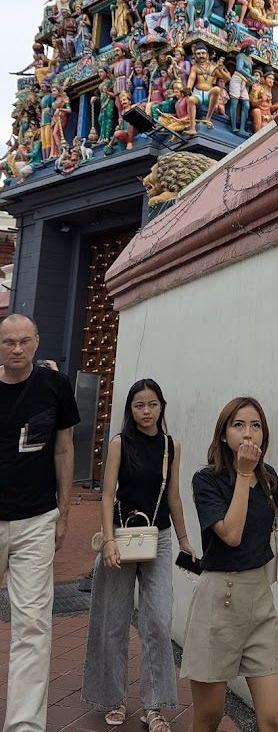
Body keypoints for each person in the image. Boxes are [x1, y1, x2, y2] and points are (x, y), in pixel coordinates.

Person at [181, 397, 278, 732]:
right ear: (223, 435)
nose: (248, 433)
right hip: (219, 600)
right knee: (209, 717)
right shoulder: (206, 480)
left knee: (276, 719)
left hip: (258, 599)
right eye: (238, 425)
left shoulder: (269, 478)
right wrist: (243, 473)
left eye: (256, 425)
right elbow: (231, 535)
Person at [82, 379, 196, 730]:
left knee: (159, 620)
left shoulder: (171, 446)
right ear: (130, 410)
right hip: (121, 536)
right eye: (139, 406)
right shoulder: (119, 444)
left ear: (162, 406)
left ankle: (155, 705)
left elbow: (174, 497)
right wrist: (110, 542)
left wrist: (184, 539)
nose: (146, 412)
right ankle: (112, 699)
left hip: (158, 539)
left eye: (152, 405)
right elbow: (106, 494)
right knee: (112, 620)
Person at [0, 313, 80, 732]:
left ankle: (24, 726)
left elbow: (64, 450)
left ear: (36, 342)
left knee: (33, 625)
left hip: (36, 519)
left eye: (24, 341)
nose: (16, 349)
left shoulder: (56, 386)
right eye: (9, 341)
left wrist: (63, 515)